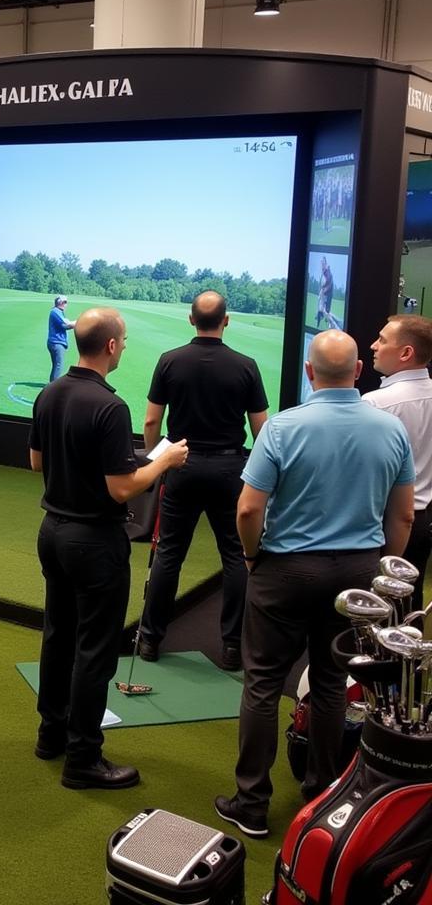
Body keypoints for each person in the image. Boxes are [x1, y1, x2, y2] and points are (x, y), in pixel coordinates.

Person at [215, 331, 414, 839]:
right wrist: (383, 567)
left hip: (285, 569)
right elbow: (404, 515)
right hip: (357, 572)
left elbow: (248, 508)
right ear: (358, 373)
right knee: (329, 683)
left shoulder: (283, 427)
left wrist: (253, 555)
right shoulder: (390, 430)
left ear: (308, 372)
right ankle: (322, 792)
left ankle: (251, 803)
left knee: (262, 683)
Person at [29, 309, 188, 790]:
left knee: (59, 635)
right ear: (113, 346)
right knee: (95, 651)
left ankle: (51, 734)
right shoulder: (110, 406)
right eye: (125, 340)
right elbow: (122, 488)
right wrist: (164, 461)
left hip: (53, 530)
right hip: (94, 541)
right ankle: (83, 758)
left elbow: (36, 461)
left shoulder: (50, 391)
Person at [139, 291, 269, 670]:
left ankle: (149, 640)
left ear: (190, 319)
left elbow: (151, 422)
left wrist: (157, 462)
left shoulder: (169, 360)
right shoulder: (246, 365)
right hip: (230, 470)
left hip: (181, 465)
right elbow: (261, 430)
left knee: (169, 555)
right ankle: (231, 648)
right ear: (225, 321)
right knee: (235, 557)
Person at [364, 314, 432, 596]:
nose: (373, 346)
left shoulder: (375, 404)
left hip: (382, 523)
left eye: (382, 340)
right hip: (423, 522)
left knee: (368, 610)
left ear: (406, 353)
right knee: (407, 605)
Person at [46, 295, 75, 382]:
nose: (66, 304)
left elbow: (64, 326)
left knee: (57, 365)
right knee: (59, 365)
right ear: (60, 303)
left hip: (56, 343)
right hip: (56, 343)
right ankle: (53, 386)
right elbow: (68, 325)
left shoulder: (59, 312)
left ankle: (52, 384)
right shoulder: (56, 311)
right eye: (65, 302)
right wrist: (82, 321)